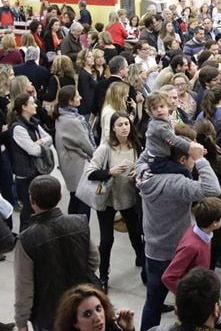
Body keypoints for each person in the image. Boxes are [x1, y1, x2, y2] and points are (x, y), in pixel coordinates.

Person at [137, 134, 221, 331]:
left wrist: (164, 138)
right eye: (191, 158)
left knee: (152, 301)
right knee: (191, 308)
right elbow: (213, 189)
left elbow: (143, 157)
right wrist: (200, 159)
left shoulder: (144, 174)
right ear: (183, 159)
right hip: (179, 251)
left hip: (153, 249)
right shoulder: (178, 183)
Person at [14, 175, 100, 331]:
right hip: (83, 306)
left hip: (49, 315)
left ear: (32, 200)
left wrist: (21, 322)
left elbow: (24, 287)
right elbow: (94, 260)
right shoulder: (79, 223)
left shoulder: (26, 240)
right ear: (60, 196)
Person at [87, 111, 145, 291]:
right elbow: (90, 172)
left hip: (129, 198)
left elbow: (143, 164)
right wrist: (109, 172)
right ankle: (103, 277)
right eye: (119, 125)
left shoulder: (136, 145)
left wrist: (138, 172)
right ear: (112, 128)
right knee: (106, 240)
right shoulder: (105, 148)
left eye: (126, 124)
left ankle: (142, 263)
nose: (124, 128)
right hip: (107, 200)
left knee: (136, 233)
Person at [162, 197, 221, 294]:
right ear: (215, 223)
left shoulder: (203, 233)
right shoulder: (191, 247)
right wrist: (188, 297)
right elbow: (168, 277)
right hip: (194, 301)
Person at [9, 93, 54, 231]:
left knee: (38, 208)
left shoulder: (33, 122)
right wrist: (41, 145)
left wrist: (39, 142)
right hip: (26, 175)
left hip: (36, 170)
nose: (35, 105)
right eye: (32, 103)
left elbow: (49, 138)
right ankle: (24, 237)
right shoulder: (18, 128)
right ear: (23, 107)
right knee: (29, 209)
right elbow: (33, 151)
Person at [54, 85, 95, 219]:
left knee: (75, 198)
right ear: (70, 101)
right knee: (83, 200)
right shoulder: (72, 121)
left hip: (70, 163)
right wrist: (96, 157)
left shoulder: (62, 115)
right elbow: (85, 144)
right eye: (77, 96)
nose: (80, 97)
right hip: (76, 165)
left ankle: (73, 228)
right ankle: (81, 230)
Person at [141, 91, 204, 166]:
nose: (159, 110)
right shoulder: (157, 125)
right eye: (154, 108)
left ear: (168, 106)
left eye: (161, 106)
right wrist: (191, 147)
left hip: (162, 156)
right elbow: (173, 139)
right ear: (150, 112)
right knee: (183, 171)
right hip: (157, 159)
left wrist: (195, 145)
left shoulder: (165, 120)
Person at [53, 284, 135, 331]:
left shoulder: (111, 328)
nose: (98, 318)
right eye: (88, 314)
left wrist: (129, 329)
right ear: (75, 323)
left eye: (98, 309)